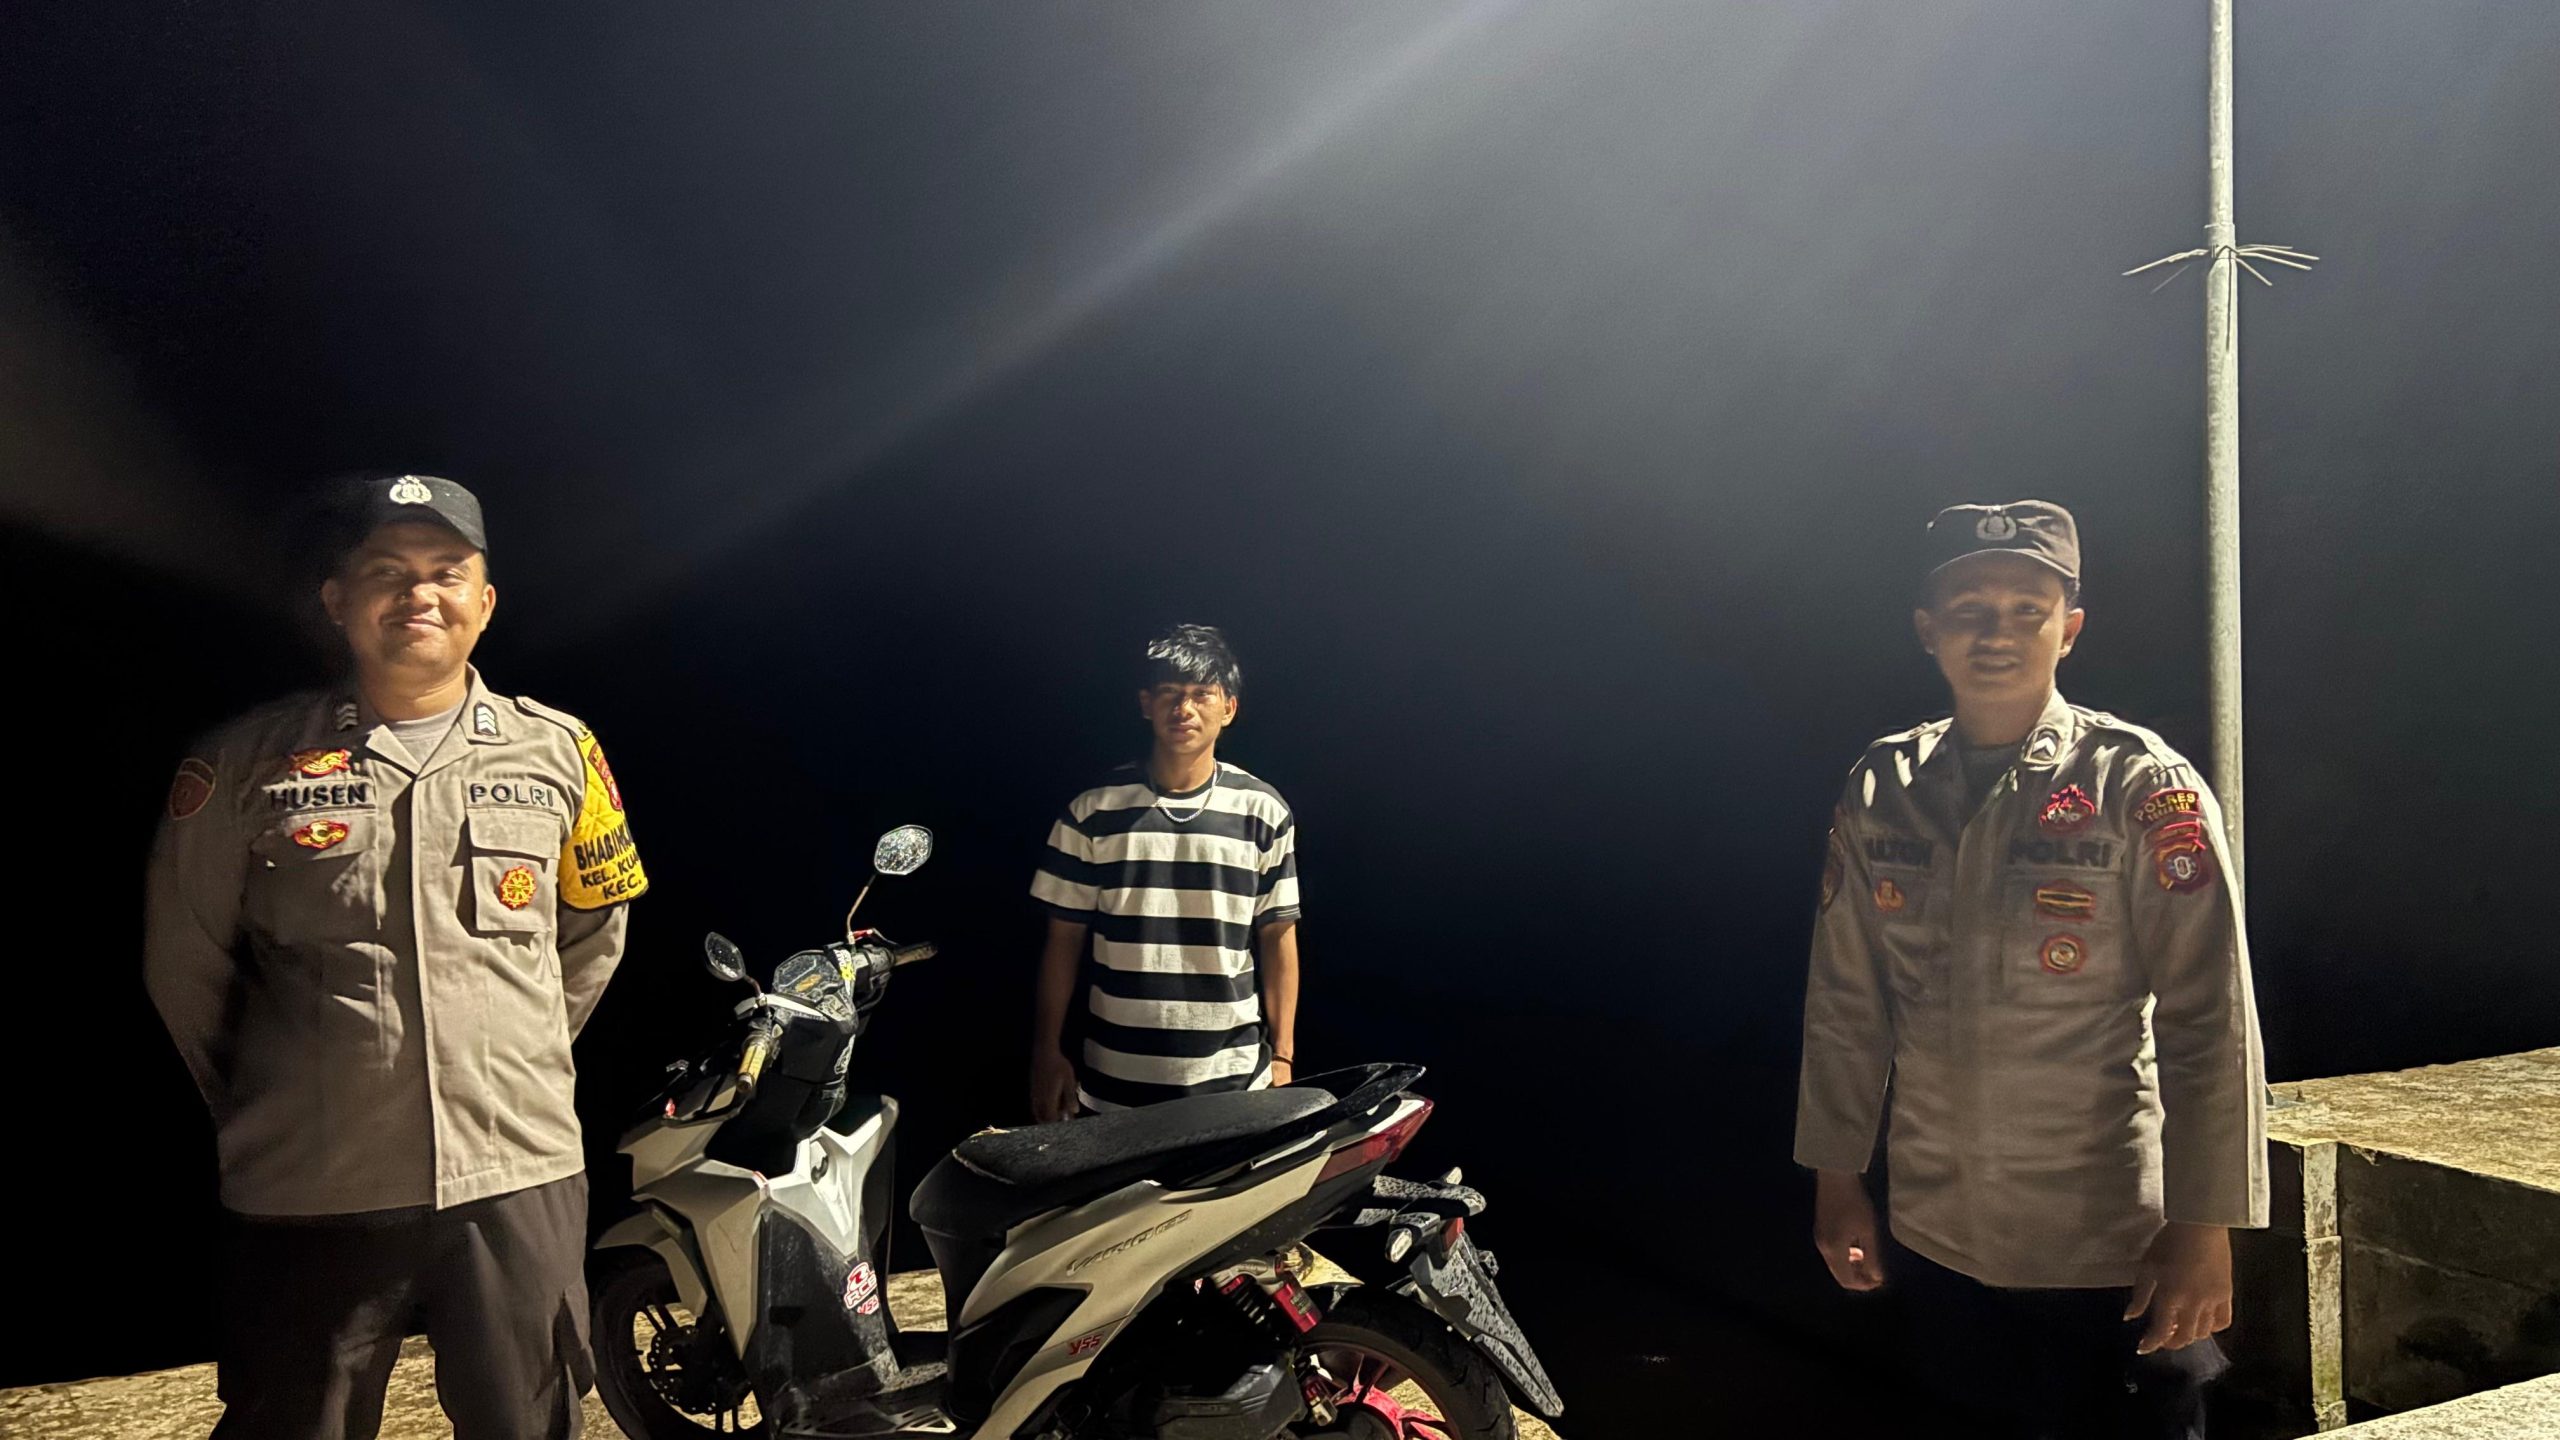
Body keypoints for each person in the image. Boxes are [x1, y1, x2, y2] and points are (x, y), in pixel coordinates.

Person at [144, 472, 649, 1440]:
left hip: (515, 1177)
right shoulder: (244, 765)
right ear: (338, 599)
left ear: (484, 602)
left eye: (447, 571)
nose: (420, 593)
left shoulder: (562, 752)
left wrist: (507, 1063)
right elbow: (184, 962)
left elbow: (594, 935)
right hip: (310, 1187)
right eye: (388, 571)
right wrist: (285, 1099)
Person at [1794, 500, 2268, 1439]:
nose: (1997, 634)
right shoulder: (1884, 785)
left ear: (2070, 628)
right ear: (1928, 629)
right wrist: (1836, 1179)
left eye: (2027, 610)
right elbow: (1848, 1002)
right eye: (1970, 610)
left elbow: (2209, 1014)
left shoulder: (2139, 784)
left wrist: (2205, 1227)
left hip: (2108, 1243)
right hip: (1940, 1234)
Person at [1026, 623, 1302, 1118]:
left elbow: (1278, 935)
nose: (1184, 708)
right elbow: (1063, 940)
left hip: (1235, 1083)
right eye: (1170, 693)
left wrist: (1283, 1057)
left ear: (1228, 708)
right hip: (1114, 1081)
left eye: (1201, 694)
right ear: (1146, 704)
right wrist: (1047, 1050)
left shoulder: (1263, 811)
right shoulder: (1093, 811)